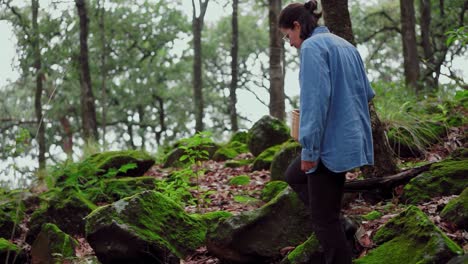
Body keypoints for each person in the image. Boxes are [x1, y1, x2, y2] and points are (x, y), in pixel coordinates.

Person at [280, 1, 375, 264]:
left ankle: (341, 240)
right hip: (350, 141)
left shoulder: (311, 48)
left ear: (298, 26)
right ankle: (345, 226)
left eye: (288, 35)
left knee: (323, 221)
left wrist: (310, 151)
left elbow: (315, 102)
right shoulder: (347, 46)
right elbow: (367, 94)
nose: (290, 43)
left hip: (327, 146)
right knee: (293, 174)